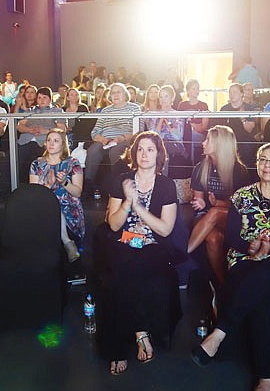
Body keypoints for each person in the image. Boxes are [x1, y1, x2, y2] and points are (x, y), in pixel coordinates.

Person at [191, 142, 270, 391]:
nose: (267, 165)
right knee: (260, 288)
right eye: (263, 159)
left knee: (263, 273)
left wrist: (269, 248)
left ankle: (219, 334)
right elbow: (232, 236)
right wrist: (251, 248)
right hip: (244, 257)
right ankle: (266, 378)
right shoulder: (241, 196)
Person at [102, 131, 178, 375]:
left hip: (154, 243)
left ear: (159, 154)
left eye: (150, 149)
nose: (145, 154)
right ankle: (139, 334)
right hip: (125, 240)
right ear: (134, 154)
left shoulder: (166, 184)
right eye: (141, 149)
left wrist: (138, 207)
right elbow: (113, 225)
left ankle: (129, 338)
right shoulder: (121, 180)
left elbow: (165, 230)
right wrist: (126, 203)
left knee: (138, 267)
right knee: (124, 266)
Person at [187, 125, 249, 288]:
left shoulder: (238, 170)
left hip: (233, 218)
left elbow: (241, 206)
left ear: (220, 144)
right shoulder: (201, 167)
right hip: (205, 217)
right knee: (213, 238)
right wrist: (199, 202)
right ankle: (223, 283)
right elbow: (198, 200)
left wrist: (219, 204)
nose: (203, 142)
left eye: (208, 140)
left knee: (215, 212)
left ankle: (183, 254)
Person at [29, 128, 85, 264]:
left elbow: (77, 192)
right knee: (52, 206)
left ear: (63, 144)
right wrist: (48, 186)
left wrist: (64, 182)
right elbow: (34, 194)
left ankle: (67, 243)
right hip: (43, 207)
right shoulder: (37, 164)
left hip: (69, 207)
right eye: (49, 140)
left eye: (56, 141)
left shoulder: (72, 163)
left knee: (56, 207)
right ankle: (67, 243)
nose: (51, 144)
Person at [84, 83, 142, 192]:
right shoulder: (105, 110)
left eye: (118, 92)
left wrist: (120, 138)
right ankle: (88, 185)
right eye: (113, 93)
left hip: (125, 139)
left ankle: (118, 186)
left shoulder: (134, 108)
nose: (115, 95)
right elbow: (94, 132)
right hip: (105, 140)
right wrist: (103, 139)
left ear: (125, 94)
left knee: (115, 151)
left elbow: (138, 129)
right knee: (93, 151)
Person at [17, 87, 67, 181]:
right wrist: (29, 130)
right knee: (15, 157)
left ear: (50, 99)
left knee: (37, 157)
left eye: (44, 97)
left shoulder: (57, 111)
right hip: (26, 141)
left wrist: (46, 131)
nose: (41, 100)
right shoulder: (30, 111)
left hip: (44, 143)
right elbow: (19, 126)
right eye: (39, 98)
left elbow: (62, 129)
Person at [216, 83, 258, 166]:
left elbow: (249, 129)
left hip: (244, 140)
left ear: (241, 94)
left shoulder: (249, 108)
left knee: (248, 147)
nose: (232, 95)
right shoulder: (224, 109)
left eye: (234, 92)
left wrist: (242, 118)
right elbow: (220, 128)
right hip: (228, 140)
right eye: (230, 92)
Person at [144, 85, 186, 164]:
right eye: (161, 97)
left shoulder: (179, 115)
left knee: (163, 148)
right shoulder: (153, 115)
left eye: (166, 96)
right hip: (157, 144)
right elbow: (153, 136)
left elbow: (178, 137)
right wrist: (161, 118)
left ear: (172, 98)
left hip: (174, 145)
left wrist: (167, 121)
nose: (163, 99)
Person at [177, 79, 209, 164]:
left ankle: (190, 162)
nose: (196, 91)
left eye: (197, 88)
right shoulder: (182, 105)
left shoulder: (203, 105)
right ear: (188, 90)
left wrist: (192, 125)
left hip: (199, 136)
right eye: (193, 88)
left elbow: (203, 127)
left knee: (190, 135)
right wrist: (193, 125)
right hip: (184, 134)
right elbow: (178, 123)